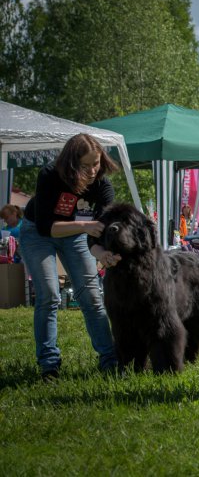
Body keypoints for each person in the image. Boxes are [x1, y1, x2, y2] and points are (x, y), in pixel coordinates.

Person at [19, 134, 121, 381]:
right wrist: (85, 227)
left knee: (92, 297)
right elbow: (46, 227)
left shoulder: (103, 187)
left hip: (77, 236)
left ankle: (110, 360)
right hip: (37, 234)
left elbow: (102, 230)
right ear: (71, 164)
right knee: (48, 295)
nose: (92, 170)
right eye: (85, 166)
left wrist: (104, 253)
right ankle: (49, 364)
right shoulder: (50, 176)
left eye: (96, 163)